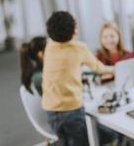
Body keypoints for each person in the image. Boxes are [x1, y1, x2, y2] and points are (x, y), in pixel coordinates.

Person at [42, 11, 115, 146]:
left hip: (50, 111)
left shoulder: (49, 45)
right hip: (71, 110)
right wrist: (115, 69)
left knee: (65, 142)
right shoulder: (78, 48)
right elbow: (99, 68)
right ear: (74, 31)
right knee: (99, 138)